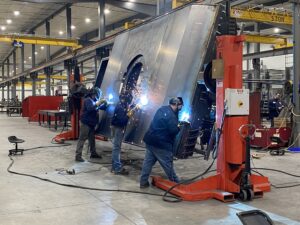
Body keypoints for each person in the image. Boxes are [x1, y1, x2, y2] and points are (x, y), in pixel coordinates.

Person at [140, 97, 183, 188]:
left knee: (148, 163)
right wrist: (179, 127)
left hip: (151, 140)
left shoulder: (162, 109)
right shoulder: (171, 116)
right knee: (168, 165)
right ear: (175, 104)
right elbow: (173, 131)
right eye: (180, 105)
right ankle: (177, 185)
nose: (180, 107)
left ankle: (143, 182)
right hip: (161, 144)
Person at [75, 87, 107, 162]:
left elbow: (101, 107)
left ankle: (93, 153)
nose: (97, 97)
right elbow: (91, 108)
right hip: (85, 124)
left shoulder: (94, 101)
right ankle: (78, 155)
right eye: (96, 95)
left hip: (91, 124)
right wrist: (99, 103)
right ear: (93, 94)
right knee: (82, 139)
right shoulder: (88, 100)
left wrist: (105, 104)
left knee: (92, 140)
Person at [111, 91, 136, 175]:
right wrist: (129, 115)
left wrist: (132, 108)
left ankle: (114, 167)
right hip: (118, 128)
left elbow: (126, 110)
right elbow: (122, 121)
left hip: (116, 127)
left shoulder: (121, 105)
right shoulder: (121, 107)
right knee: (117, 148)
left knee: (116, 147)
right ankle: (117, 168)